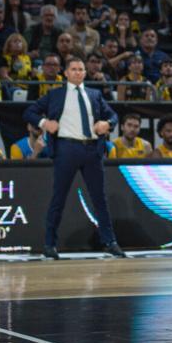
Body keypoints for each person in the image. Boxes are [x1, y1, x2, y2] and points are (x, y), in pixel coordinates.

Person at [24, 56, 125, 259]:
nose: (78, 72)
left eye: (81, 69)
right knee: (58, 198)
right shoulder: (55, 95)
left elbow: (113, 115)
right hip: (66, 149)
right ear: (66, 73)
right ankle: (49, 244)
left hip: (91, 150)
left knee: (99, 199)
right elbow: (30, 111)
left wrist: (108, 124)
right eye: (74, 69)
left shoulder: (94, 94)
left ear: (85, 73)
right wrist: (44, 123)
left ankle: (110, 242)